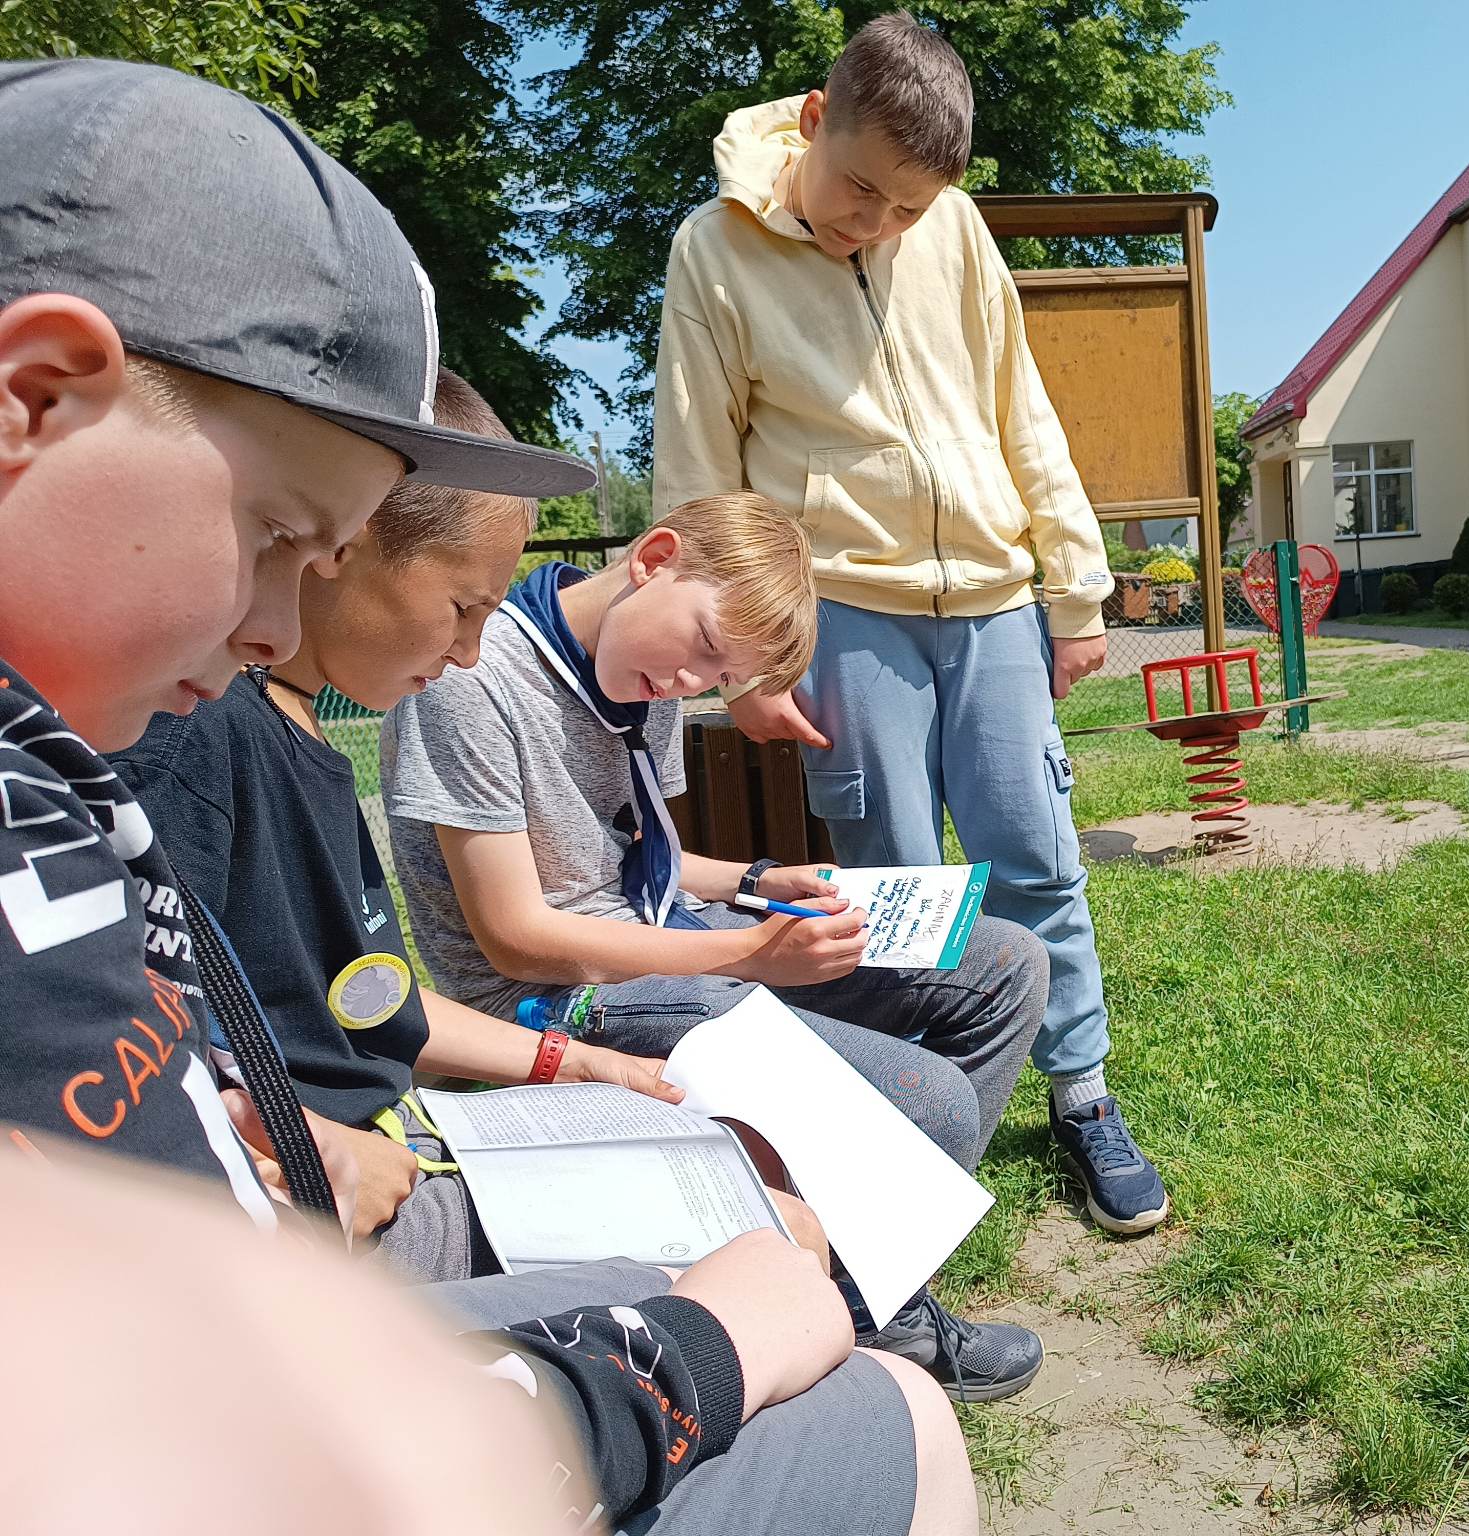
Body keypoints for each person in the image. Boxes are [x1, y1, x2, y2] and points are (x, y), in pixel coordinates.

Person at [0, 57, 973, 1533]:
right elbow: (498, 955)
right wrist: (676, 1349)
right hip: (366, 1259)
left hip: (392, 1172)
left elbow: (349, 1002)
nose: (277, 616)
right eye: (279, 536)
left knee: (893, 1106)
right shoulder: (163, 751)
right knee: (864, 1344)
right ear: (35, 398)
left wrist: (665, 981)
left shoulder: (101, 766)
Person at [650, 10, 1168, 1234]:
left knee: (1034, 854)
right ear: (814, 120)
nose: (873, 224)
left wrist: (1072, 587)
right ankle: (903, 1112)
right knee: (887, 883)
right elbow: (699, 472)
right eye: (860, 190)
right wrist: (744, 663)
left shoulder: (956, 230)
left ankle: (1081, 1093)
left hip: (992, 600)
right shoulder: (712, 252)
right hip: (847, 614)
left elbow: (1018, 406)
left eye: (905, 209)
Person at [380, 493, 1050, 1400]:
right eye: (700, 650)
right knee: (926, 1099)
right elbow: (517, 939)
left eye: (714, 679)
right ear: (655, 558)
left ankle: (865, 1276)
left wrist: (756, 882)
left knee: (1006, 967)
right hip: (552, 999)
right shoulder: (476, 681)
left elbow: (643, 856)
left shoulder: (640, 668)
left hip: (667, 943)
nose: (688, 687)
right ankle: (867, 1311)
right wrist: (746, 959)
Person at [113, 367, 708, 1282]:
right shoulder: (199, 733)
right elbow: (126, 1020)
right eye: (463, 608)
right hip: (322, 1193)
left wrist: (569, 1064)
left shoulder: (300, 727)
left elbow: (367, 994)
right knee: (763, 1231)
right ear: (346, 541)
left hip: (398, 1132)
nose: (469, 653)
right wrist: (305, 1137)